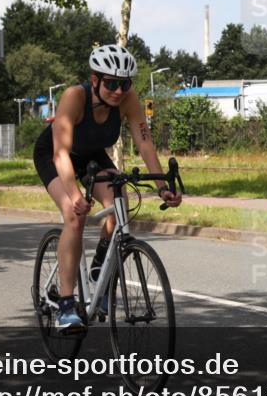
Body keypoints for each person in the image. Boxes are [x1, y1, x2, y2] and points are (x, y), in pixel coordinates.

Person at [33, 44, 182, 332]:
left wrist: (162, 186)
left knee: (120, 203)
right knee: (74, 216)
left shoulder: (128, 100)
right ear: (95, 80)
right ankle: (65, 305)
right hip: (55, 155)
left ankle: (98, 270)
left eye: (124, 84)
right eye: (111, 83)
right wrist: (75, 195)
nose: (118, 90)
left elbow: (145, 143)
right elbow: (61, 153)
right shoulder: (74, 97)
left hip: (90, 155)